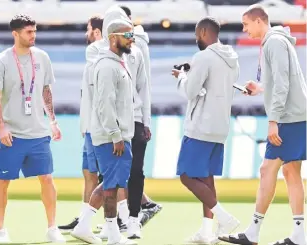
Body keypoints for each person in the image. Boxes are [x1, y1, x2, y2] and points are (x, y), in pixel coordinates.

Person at [219, 5, 307, 245]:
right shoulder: (278, 42)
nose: (244, 29)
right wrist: (260, 89)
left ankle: (253, 232)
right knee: (291, 173)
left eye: (246, 24)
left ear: (259, 21)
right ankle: (298, 235)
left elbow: (282, 84)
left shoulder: (274, 43)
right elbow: (281, 81)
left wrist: (273, 121)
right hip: (296, 115)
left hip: (288, 118)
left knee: (268, 170)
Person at [0, 14, 65, 243]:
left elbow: (46, 91)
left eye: (35, 31)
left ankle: (52, 228)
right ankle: (1, 230)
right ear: (16, 34)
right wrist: (1, 127)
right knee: (2, 182)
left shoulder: (42, 57)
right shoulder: (1, 61)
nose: (33, 36)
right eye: (29, 32)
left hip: (39, 132)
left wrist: (53, 120)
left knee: (47, 179)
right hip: (12, 134)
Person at [171, 17, 240, 244]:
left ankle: (223, 216)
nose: (195, 38)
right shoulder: (232, 59)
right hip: (220, 126)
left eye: (195, 34)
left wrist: (182, 77)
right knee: (207, 178)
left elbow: (191, 91)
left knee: (186, 176)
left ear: (202, 32)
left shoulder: (202, 57)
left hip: (200, 126)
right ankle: (207, 232)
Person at [90, 19, 137, 245]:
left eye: (133, 35)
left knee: (113, 183)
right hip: (112, 137)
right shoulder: (107, 66)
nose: (132, 39)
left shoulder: (119, 62)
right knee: (111, 187)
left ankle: (90, 226)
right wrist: (116, 135)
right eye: (127, 35)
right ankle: (114, 237)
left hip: (119, 135)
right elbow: (104, 104)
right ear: (112, 38)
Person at [58, 15, 103, 233]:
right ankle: (83, 217)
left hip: (98, 128)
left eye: (88, 29)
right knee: (89, 173)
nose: (86, 33)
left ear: (96, 32)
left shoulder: (98, 54)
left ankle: (123, 217)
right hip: (89, 127)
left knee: (106, 175)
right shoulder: (95, 58)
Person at [120, 5, 163, 232]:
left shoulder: (137, 48)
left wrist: (146, 121)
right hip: (114, 120)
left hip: (134, 118)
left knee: (134, 170)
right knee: (113, 172)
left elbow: (144, 86)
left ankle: (133, 219)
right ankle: (118, 218)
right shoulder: (103, 51)